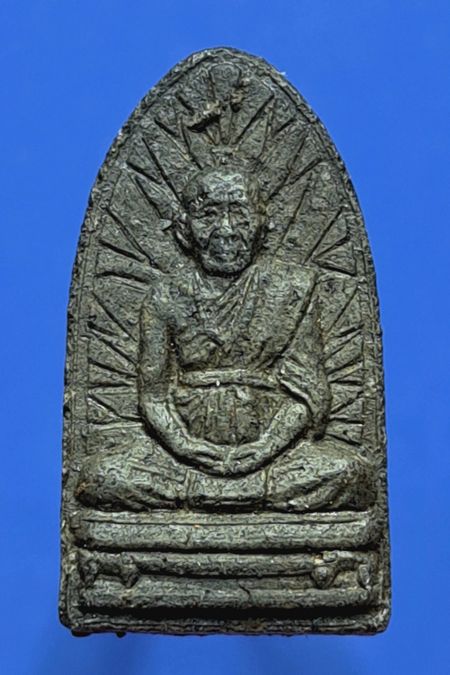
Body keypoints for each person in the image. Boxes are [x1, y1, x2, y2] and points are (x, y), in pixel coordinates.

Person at [76, 166, 375, 512]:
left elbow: (307, 395)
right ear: (184, 229)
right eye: (208, 216)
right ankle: (233, 495)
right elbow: (153, 396)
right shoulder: (165, 297)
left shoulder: (292, 289)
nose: (226, 231)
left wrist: (263, 449)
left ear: (264, 226)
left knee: (352, 475)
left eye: (241, 216)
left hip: (273, 456)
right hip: (180, 460)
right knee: (100, 477)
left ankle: (218, 495)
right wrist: (185, 446)